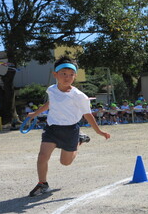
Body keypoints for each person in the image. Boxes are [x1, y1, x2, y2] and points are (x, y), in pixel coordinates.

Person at [27, 55, 110, 197]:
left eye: (71, 75)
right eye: (64, 74)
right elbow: (50, 103)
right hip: (51, 129)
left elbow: (88, 115)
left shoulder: (79, 96)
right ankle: (42, 184)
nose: (67, 77)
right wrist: (35, 113)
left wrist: (99, 131)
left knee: (65, 162)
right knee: (42, 156)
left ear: (75, 76)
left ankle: (79, 140)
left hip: (70, 130)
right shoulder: (52, 89)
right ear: (55, 74)